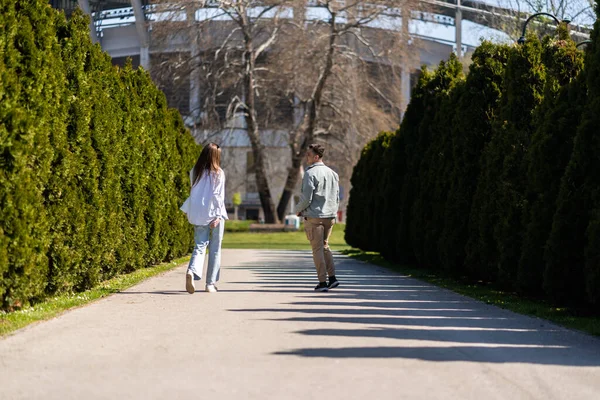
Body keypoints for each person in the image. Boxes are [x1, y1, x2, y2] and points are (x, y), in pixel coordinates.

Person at [180, 143, 228, 294]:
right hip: (214, 214)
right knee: (215, 249)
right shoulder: (218, 173)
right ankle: (210, 284)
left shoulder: (194, 171)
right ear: (216, 157)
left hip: (198, 213)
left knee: (199, 246)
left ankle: (191, 270)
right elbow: (218, 196)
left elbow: (195, 193)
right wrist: (219, 216)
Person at [295, 143, 340, 292]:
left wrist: (297, 210)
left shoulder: (310, 173)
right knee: (325, 246)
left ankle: (322, 282)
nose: (306, 157)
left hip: (315, 217)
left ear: (316, 156)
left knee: (317, 249)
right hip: (330, 216)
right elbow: (336, 197)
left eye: (308, 154)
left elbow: (306, 198)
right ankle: (332, 278)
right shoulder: (333, 173)